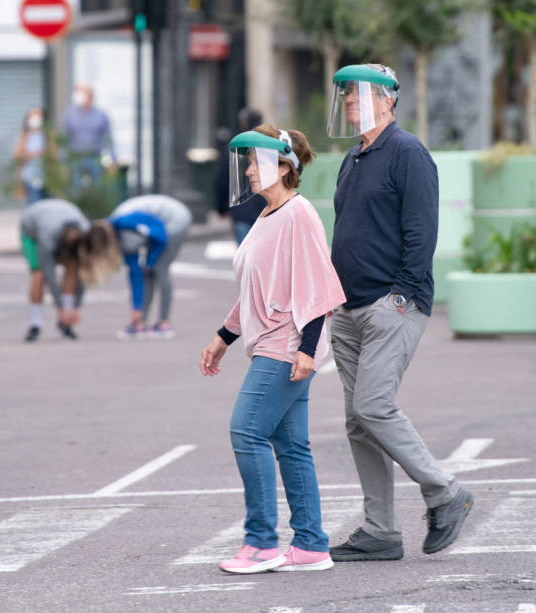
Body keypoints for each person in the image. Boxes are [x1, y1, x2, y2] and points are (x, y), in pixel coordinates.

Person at [325, 63, 473, 561]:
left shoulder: (407, 152)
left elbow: (421, 233)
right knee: (357, 421)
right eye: (345, 93)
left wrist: (402, 297)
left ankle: (445, 492)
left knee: (373, 405)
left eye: (359, 92)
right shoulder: (355, 156)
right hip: (346, 308)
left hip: (392, 304)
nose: (349, 100)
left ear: (389, 99)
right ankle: (381, 531)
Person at [199, 125, 347, 573]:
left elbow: (320, 286)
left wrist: (307, 350)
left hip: (285, 345)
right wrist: (223, 338)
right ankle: (310, 546)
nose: (247, 170)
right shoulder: (268, 216)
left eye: (255, 161)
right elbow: (256, 291)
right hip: (268, 341)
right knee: (291, 446)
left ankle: (262, 542)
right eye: (245, 162)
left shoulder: (299, 214)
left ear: (284, 166)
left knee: (246, 432)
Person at [105, 194, 192, 339]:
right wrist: (136, 307)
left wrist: (150, 261)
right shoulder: (117, 229)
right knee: (147, 270)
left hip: (176, 219)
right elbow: (134, 271)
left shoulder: (125, 229)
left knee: (159, 267)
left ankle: (163, 322)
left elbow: (160, 238)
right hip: (163, 221)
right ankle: (141, 320)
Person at [19, 198, 89, 342]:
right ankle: (35, 324)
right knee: (39, 274)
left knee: (73, 265)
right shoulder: (47, 238)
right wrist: (60, 308)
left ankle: (66, 323)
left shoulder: (85, 232)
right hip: (31, 230)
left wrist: (76, 307)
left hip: (57, 217)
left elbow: (85, 273)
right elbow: (50, 277)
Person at [213, 107, 266, 245]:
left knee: (245, 254)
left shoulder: (234, 147)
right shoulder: (269, 147)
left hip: (241, 210)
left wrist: (222, 208)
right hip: (266, 210)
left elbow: (223, 180)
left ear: (242, 124)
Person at [62, 84, 115, 189]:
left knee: (97, 189)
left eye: (83, 93)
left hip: (94, 157)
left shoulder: (101, 115)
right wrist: (63, 162)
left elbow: (108, 139)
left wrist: (112, 160)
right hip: (75, 158)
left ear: (91, 96)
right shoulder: (69, 114)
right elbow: (64, 139)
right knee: (75, 189)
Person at [13, 107, 53, 205]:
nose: (36, 118)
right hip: (30, 176)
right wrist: (30, 155)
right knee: (34, 203)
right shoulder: (24, 136)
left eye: (38, 115)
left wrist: (44, 153)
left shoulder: (48, 135)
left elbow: (54, 154)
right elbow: (17, 156)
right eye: (33, 115)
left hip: (46, 176)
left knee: (46, 204)